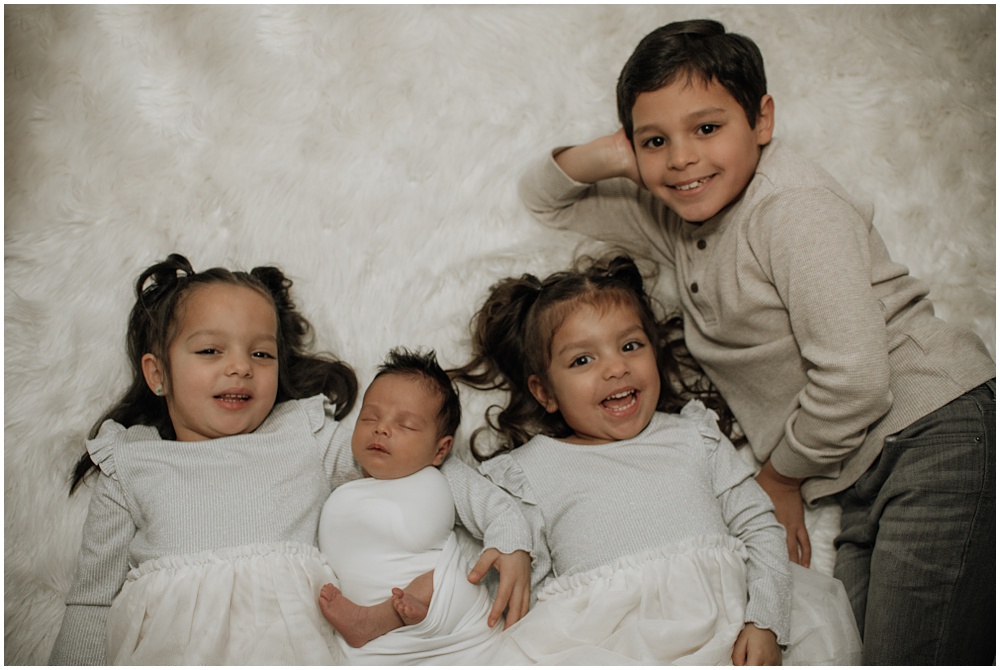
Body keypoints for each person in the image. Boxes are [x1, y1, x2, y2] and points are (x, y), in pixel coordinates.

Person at [517, 19, 996, 665]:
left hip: (931, 430)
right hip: (860, 470)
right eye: (657, 139)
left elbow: (857, 377)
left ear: (762, 120)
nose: (682, 157)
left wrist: (779, 477)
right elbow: (547, 201)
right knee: (854, 652)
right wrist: (619, 154)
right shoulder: (681, 213)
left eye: (707, 128)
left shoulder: (792, 208)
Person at [48, 254, 530, 666]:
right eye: (211, 350)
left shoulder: (302, 435)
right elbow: (91, 601)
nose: (240, 366)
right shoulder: (131, 462)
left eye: (260, 353)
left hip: (296, 647)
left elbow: (425, 464)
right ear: (158, 373)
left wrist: (508, 535)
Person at [452, 254, 861, 665]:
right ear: (545, 393)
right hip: (606, 647)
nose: (616, 367)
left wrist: (766, 621)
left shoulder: (693, 436)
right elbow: (441, 476)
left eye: (630, 346)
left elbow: (759, 527)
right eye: (582, 360)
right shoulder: (530, 471)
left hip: (728, 635)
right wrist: (511, 541)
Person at [317, 348, 530, 665]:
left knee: (446, 578)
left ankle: (379, 618)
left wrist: (514, 548)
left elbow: (497, 507)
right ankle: (376, 621)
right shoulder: (345, 469)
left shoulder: (444, 475)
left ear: (440, 449)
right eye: (369, 418)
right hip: (382, 645)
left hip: (449, 617)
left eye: (405, 425)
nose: (381, 428)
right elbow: (302, 448)